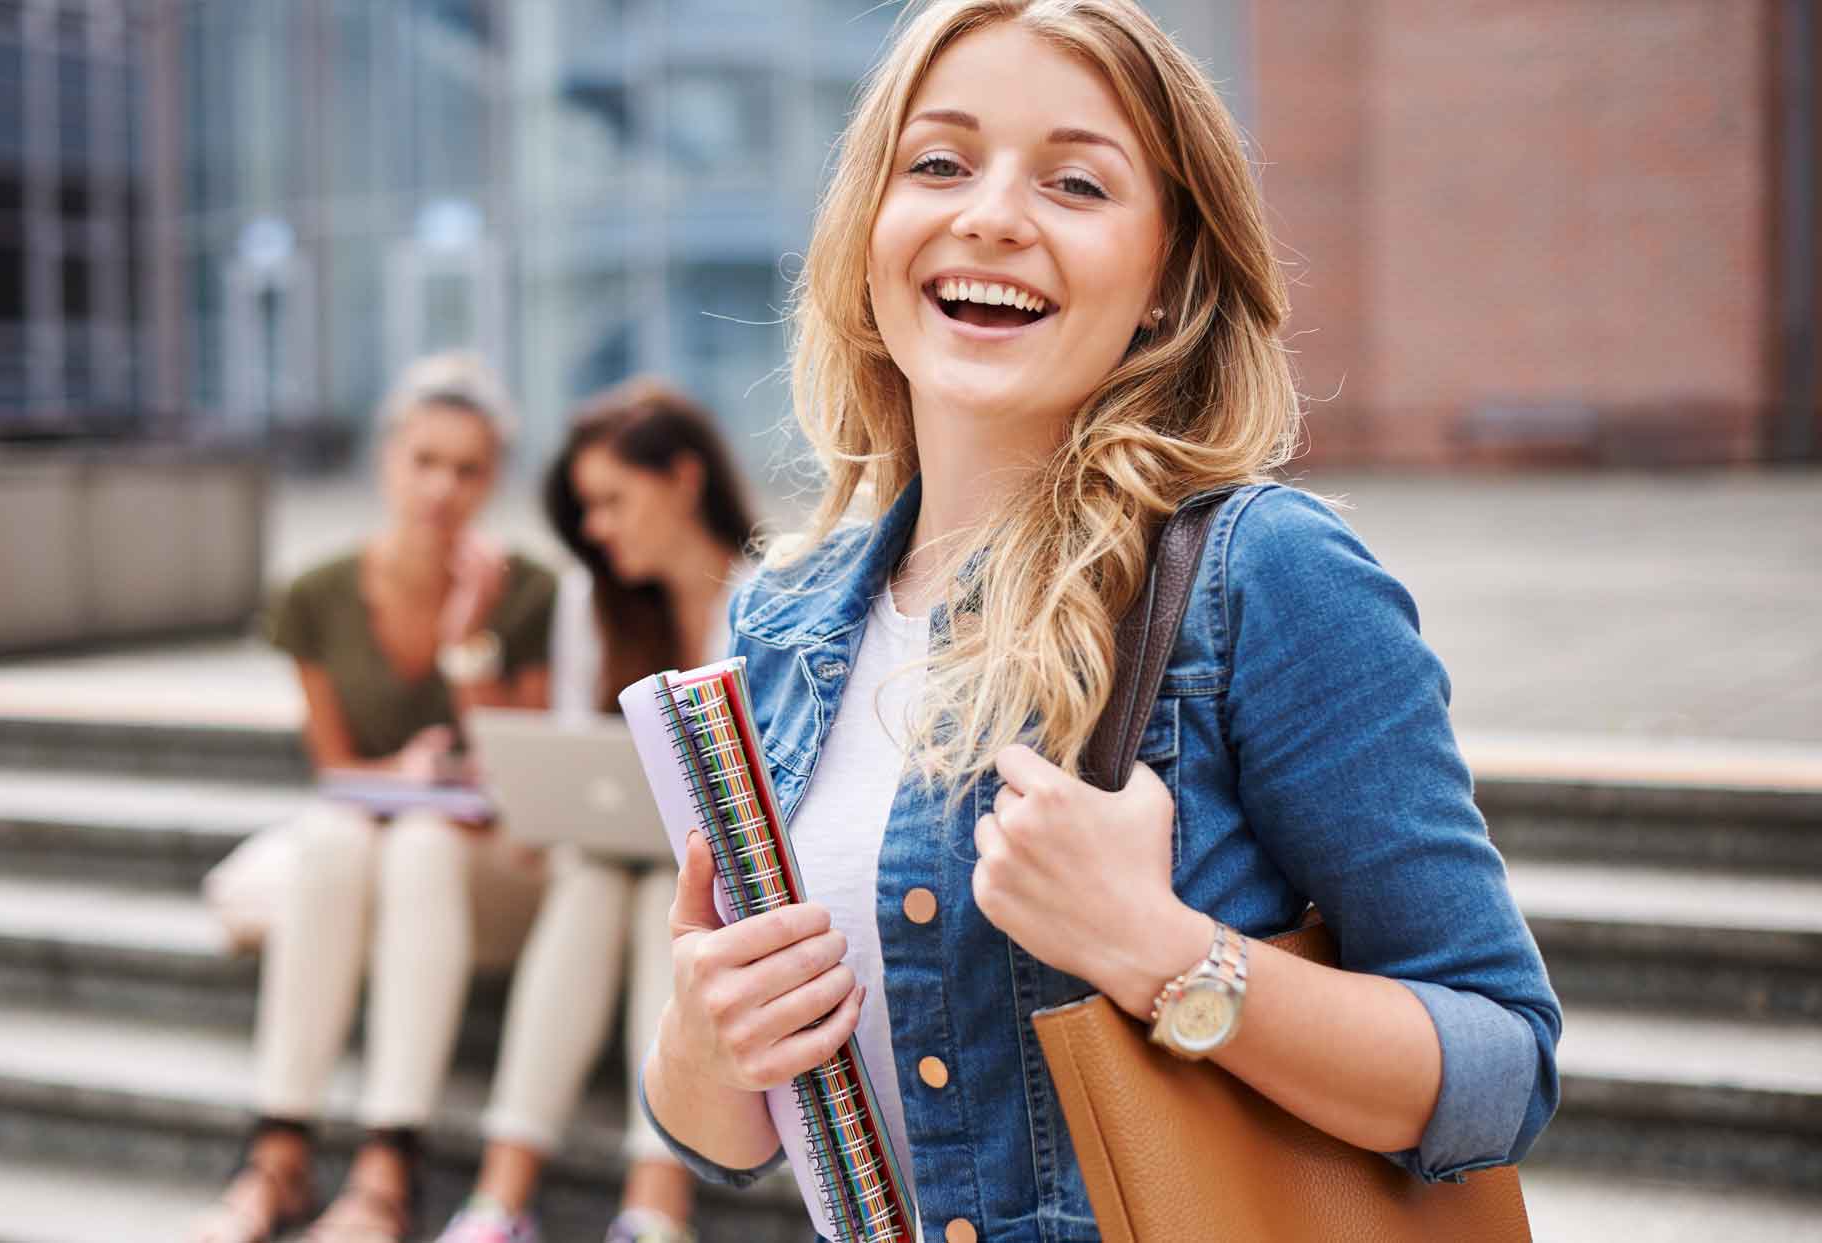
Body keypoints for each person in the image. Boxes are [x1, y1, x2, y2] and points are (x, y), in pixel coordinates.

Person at [638, 3, 1563, 1240]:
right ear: (869, 223)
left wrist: (1159, 950)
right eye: (939, 163)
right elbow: (726, 1133)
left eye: (1074, 183)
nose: (991, 215)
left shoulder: (1260, 578)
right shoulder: (781, 621)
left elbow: (1502, 1068)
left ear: (1168, 276)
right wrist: (702, 1048)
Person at [190, 352, 558, 1243]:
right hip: (364, 839)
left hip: (479, 865)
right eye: (425, 460)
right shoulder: (315, 594)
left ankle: (390, 1168)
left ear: (493, 479)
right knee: (333, 835)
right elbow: (334, 765)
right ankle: (278, 1152)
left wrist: (469, 641)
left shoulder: (525, 591)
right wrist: (409, 775)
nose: (442, 487)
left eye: (467, 469)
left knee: (421, 844)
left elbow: (525, 776)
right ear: (389, 459)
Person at [431, 378, 756, 1243]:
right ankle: (504, 1205)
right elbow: (579, 768)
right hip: (614, 867)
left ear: (684, 479)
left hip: (740, 886)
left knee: (663, 893)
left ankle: (649, 1205)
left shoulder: (776, 594)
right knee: (602, 879)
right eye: (588, 509)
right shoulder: (595, 600)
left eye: (613, 500)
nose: (600, 529)